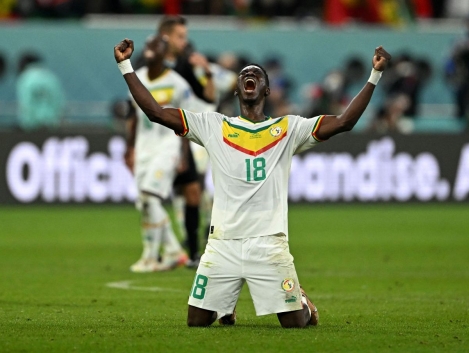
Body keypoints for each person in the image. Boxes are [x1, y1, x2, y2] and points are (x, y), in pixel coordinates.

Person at [114, 37, 391, 327]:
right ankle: (226, 305)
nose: (249, 75)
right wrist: (125, 66)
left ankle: (303, 303)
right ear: (237, 89)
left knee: (296, 324)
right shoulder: (213, 125)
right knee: (197, 322)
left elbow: (345, 121)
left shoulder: (288, 128)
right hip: (223, 243)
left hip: (268, 243)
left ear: (266, 90)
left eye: (257, 74)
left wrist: (375, 75)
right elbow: (156, 113)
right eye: (244, 74)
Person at [124, 34, 214, 273]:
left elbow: (187, 120)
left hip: (168, 148)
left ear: (165, 54)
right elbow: (133, 117)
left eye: (158, 46)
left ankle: (151, 256)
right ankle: (173, 250)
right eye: (150, 44)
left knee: (150, 196)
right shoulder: (138, 79)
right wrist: (129, 148)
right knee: (144, 202)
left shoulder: (177, 83)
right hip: (144, 148)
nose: (152, 48)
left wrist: (185, 154)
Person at [157, 15, 217, 267]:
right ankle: (161, 249)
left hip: (179, 139)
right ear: (166, 36)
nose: (184, 41)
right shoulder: (149, 63)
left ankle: (192, 253)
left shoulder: (183, 65)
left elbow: (207, 96)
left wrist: (206, 71)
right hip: (155, 140)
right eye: (180, 36)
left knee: (193, 193)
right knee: (155, 197)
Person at [16, 52, 65, 130]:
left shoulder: (25, 78)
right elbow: (59, 100)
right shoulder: (51, 76)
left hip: (31, 125)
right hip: (52, 124)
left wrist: (27, 123)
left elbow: (26, 102)